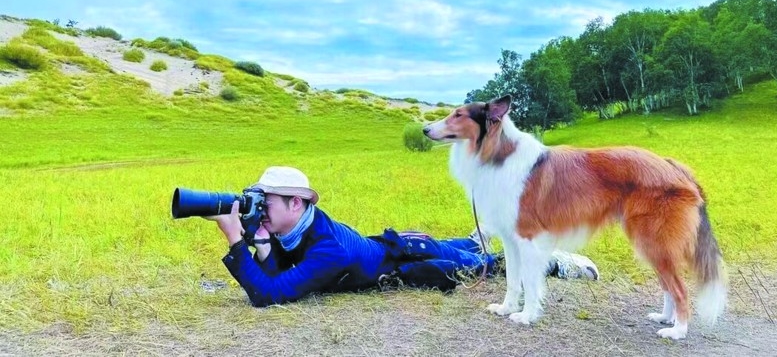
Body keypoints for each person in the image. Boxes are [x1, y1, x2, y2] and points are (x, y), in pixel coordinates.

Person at [207, 166, 599, 307]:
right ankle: (475, 238)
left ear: (296, 204)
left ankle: (550, 262)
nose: (260, 211)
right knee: (460, 248)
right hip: (388, 247)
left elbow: (268, 294)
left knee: (479, 266)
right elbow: (277, 273)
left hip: (406, 259)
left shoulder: (328, 249)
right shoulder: (292, 228)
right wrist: (261, 242)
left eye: (266, 203)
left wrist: (237, 241)